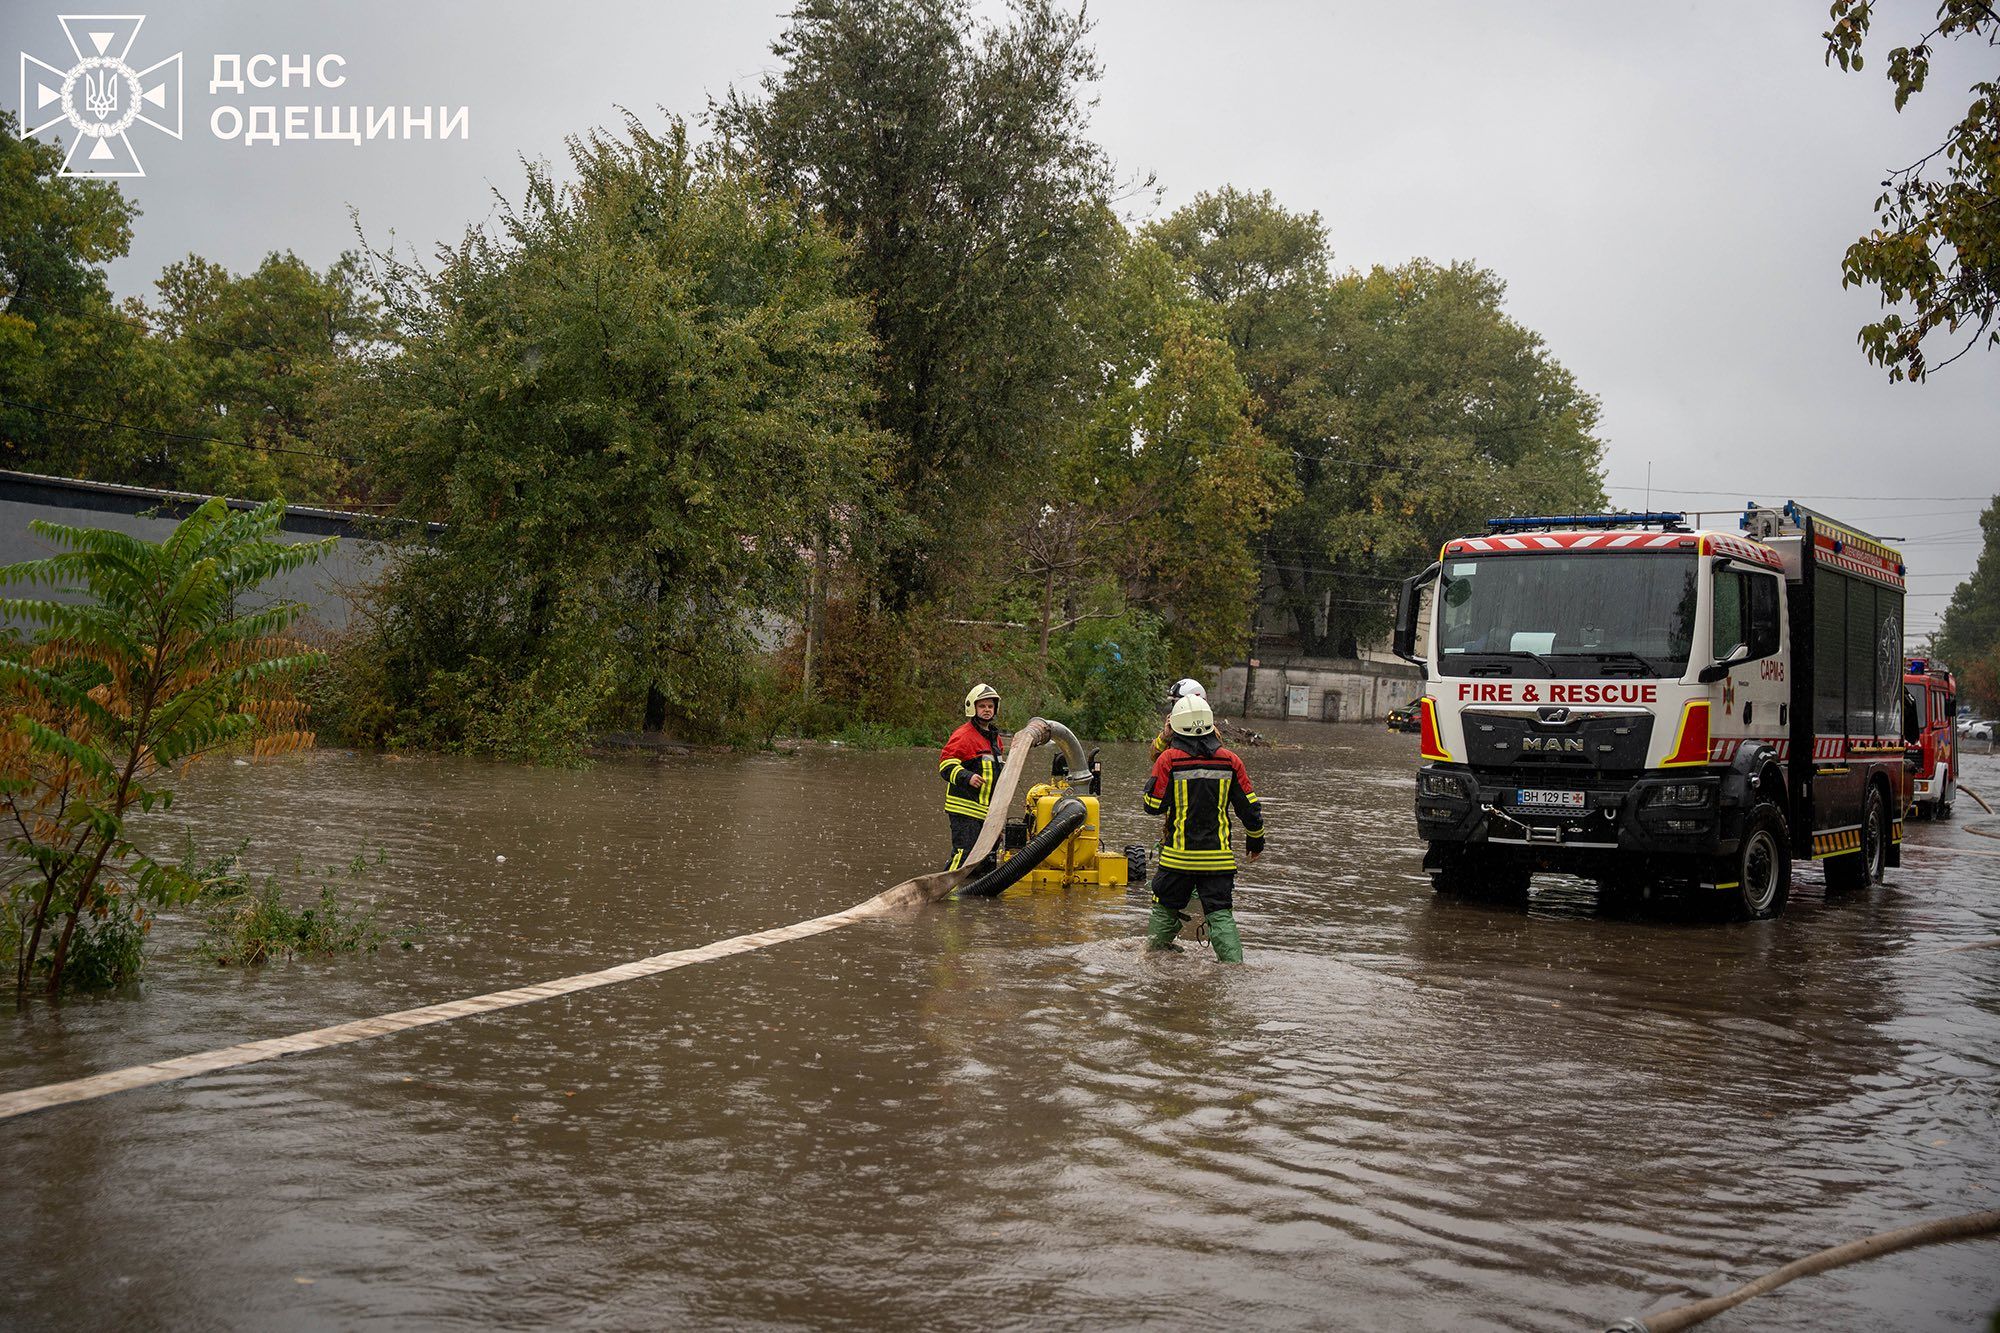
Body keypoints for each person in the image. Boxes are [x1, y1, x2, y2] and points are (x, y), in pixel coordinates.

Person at [1141, 694, 1264, 963]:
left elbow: (1152, 806)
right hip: (1217, 860)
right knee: (1220, 913)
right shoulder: (1231, 761)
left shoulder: (1169, 760)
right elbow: (1250, 809)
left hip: (1177, 859)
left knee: (1165, 908)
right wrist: (1256, 842)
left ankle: (1154, 959)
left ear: (1175, 727)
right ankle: (1234, 968)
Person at [939, 683, 1006, 871]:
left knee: (987, 861)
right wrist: (967, 777)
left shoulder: (995, 739)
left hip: (988, 813)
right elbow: (945, 766)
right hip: (965, 810)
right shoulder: (963, 735)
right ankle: (946, 895)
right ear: (973, 708)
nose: (987, 710)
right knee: (963, 856)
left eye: (990, 706)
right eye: (982, 706)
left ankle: (974, 899)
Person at [1153, 678, 1207, 755]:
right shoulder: (1172, 729)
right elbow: (1154, 756)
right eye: (1174, 704)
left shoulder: (1210, 731)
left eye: (1178, 704)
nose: (1175, 709)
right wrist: (1165, 736)